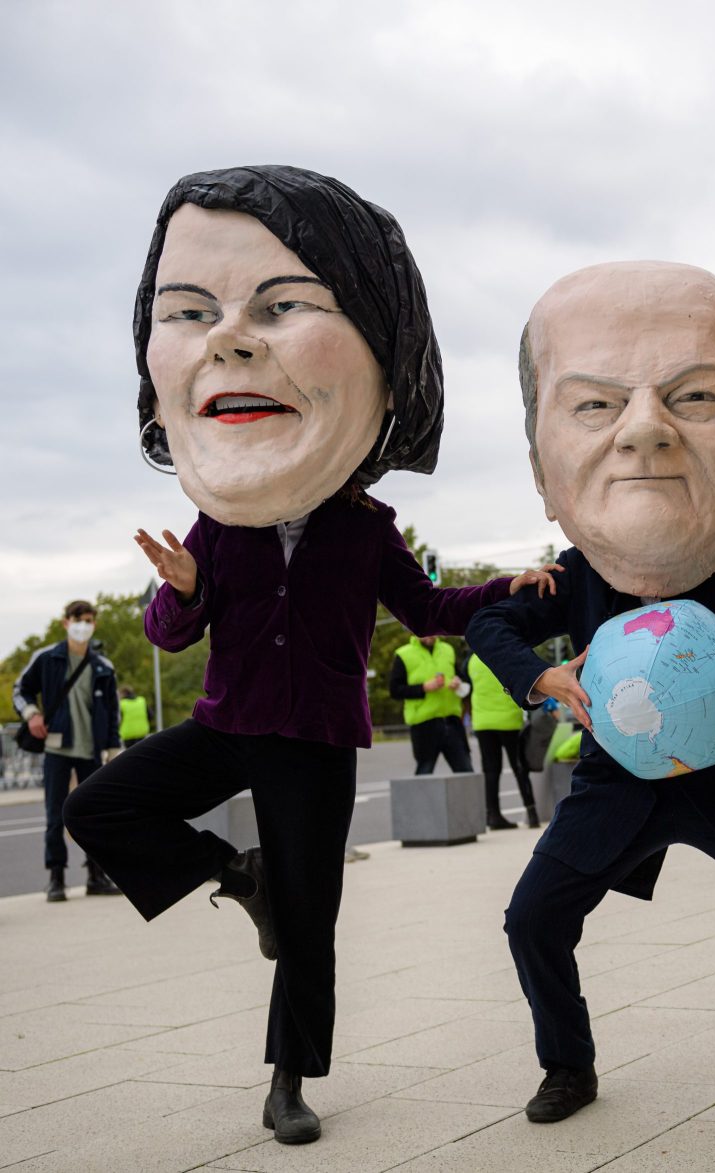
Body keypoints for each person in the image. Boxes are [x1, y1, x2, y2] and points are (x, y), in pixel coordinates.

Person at [62, 165, 555, 1147]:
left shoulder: (364, 526)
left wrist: (512, 587)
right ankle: (229, 874)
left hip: (317, 734)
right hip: (226, 722)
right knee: (98, 805)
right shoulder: (220, 519)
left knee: (311, 922)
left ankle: (289, 1083)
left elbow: (426, 607)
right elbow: (170, 637)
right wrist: (181, 590)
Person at [469, 261, 715, 1127]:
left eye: (691, 398)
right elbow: (488, 628)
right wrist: (541, 676)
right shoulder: (572, 576)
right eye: (594, 404)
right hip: (615, 782)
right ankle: (567, 1068)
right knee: (533, 920)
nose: (643, 431)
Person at [12, 599, 123, 901]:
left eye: (88, 620)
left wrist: (114, 748)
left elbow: (113, 712)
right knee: (55, 815)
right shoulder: (46, 658)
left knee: (94, 815)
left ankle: (96, 876)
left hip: (92, 752)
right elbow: (20, 690)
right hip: (57, 749)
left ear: (94, 623)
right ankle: (56, 878)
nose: (82, 625)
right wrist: (32, 714)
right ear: (65, 622)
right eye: (77, 619)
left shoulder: (103, 666)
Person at [460, 648, 540, 829]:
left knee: (491, 770)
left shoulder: (471, 660)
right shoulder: (506, 652)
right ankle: (532, 813)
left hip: (483, 721)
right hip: (508, 719)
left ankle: (493, 815)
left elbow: (465, 687)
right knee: (519, 767)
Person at [389, 635, 473, 775]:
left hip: (452, 721)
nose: (430, 635)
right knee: (424, 773)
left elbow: (460, 677)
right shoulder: (403, 654)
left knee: (466, 772)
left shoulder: (447, 650)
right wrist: (423, 688)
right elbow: (395, 690)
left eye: (434, 631)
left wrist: (457, 682)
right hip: (424, 724)